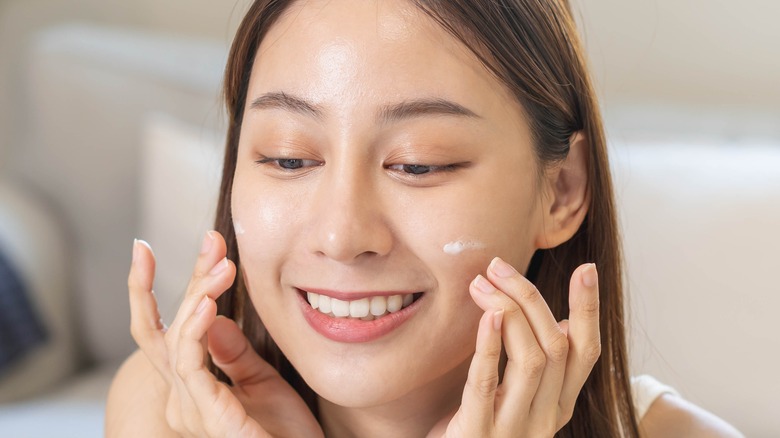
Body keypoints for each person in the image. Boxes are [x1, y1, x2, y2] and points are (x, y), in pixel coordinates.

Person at [107, 0, 743, 436]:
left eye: (419, 164)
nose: (341, 236)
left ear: (561, 191)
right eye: (289, 157)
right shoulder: (166, 411)